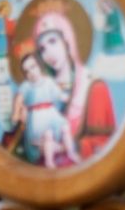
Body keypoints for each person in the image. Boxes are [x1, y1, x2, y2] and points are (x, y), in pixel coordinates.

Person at [12, 0, 118, 163]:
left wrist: (67, 147)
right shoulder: (39, 87)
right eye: (42, 49)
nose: (48, 54)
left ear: (68, 40)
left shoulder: (93, 87)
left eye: (53, 41)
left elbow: (107, 143)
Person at [11, 40, 80, 168]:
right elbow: (19, 99)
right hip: (37, 118)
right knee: (47, 134)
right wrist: (16, 113)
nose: (31, 72)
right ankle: (49, 162)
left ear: (39, 66)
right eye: (26, 71)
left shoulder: (48, 81)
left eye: (33, 67)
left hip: (51, 114)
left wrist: (68, 98)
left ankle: (71, 153)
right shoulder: (26, 86)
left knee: (65, 127)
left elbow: (58, 94)